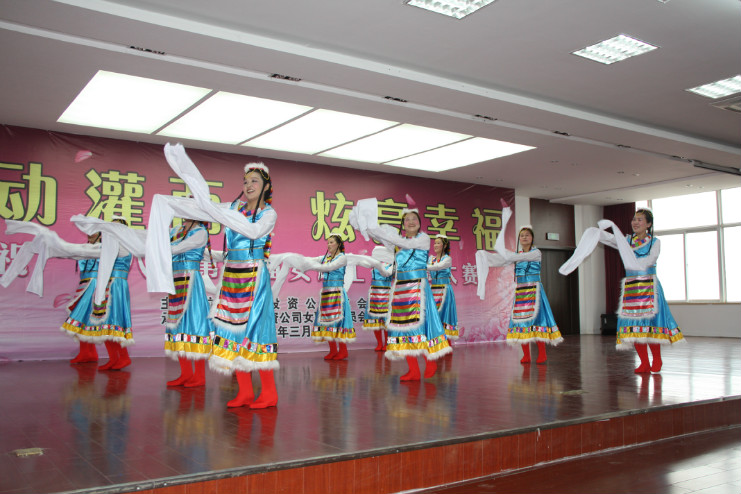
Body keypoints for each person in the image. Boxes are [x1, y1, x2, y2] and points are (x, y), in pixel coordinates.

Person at [147, 143, 279, 408]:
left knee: (256, 331)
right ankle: (244, 391)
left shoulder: (268, 214)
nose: (248, 185)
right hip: (232, 278)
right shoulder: (233, 207)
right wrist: (171, 203)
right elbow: (203, 209)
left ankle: (269, 393)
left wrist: (218, 211)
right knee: (229, 332)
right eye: (245, 181)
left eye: (254, 181)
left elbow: (253, 232)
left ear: (266, 186)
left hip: (254, 277)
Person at [559, 207, 685, 373]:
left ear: (648, 224)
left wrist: (633, 262)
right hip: (632, 289)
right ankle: (644, 362)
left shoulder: (655, 242)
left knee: (651, 325)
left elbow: (650, 260)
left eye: (640, 220)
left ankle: (657, 359)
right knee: (634, 326)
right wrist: (597, 232)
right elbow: (611, 239)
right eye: (634, 219)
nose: (635, 222)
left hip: (649, 287)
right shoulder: (627, 241)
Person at [350, 199, 451, 381]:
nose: (411, 222)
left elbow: (398, 241)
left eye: (414, 219)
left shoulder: (423, 239)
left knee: (421, 327)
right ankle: (413, 370)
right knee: (403, 329)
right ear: (403, 224)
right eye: (407, 219)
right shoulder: (398, 243)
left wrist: (376, 227)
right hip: (401, 289)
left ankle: (430, 361)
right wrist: (365, 225)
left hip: (418, 288)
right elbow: (384, 239)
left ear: (419, 223)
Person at [475, 203, 562, 364]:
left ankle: (542, 353)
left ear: (532, 238)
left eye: (527, 235)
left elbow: (512, 258)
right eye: (522, 236)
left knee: (537, 321)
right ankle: (526, 354)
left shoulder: (535, 253)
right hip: (521, 291)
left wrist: (505, 254)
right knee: (521, 321)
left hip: (534, 291)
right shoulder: (517, 254)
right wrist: (485, 255)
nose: (524, 238)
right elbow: (502, 260)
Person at [164, 218, 215, 387]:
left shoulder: (200, 232)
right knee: (178, 327)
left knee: (194, 326)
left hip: (191, 282)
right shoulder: (177, 230)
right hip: (176, 282)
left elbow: (178, 248)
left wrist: (161, 247)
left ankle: (199, 376)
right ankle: (186, 374)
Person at [428, 234, 461, 341]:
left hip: (445, 290)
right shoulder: (431, 259)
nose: (435, 245)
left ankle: (446, 343)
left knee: (445, 315)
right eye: (435, 243)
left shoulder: (447, 259)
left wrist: (422, 266)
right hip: (433, 290)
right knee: (433, 315)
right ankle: (436, 342)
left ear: (444, 246)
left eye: (438, 243)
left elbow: (437, 267)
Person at [362, 246, 394, 352]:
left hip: (386, 293)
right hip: (374, 293)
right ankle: (379, 343)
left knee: (385, 320)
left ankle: (387, 343)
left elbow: (389, 273)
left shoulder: (392, 265)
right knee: (375, 319)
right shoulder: (374, 265)